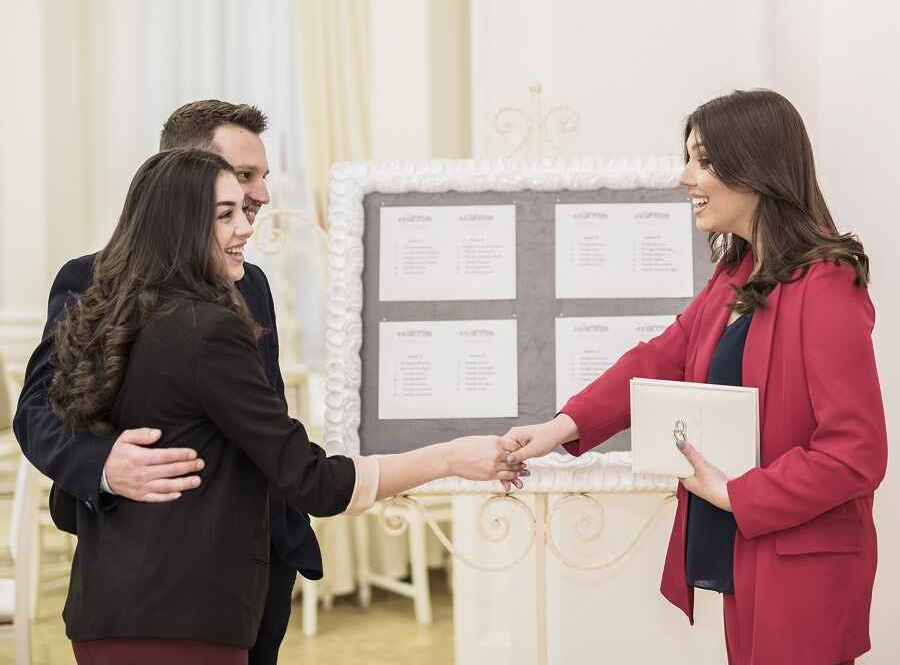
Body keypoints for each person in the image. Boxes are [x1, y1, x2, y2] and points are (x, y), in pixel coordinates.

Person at [46, 147, 520, 664]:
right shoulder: (206, 330)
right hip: (182, 621)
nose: (246, 226)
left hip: (104, 614)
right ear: (178, 228)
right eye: (224, 215)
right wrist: (449, 458)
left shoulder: (109, 315)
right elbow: (310, 479)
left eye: (242, 210)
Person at [502, 89, 887, 665]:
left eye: (702, 160)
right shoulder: (739, 271)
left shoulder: (826, 285)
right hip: (750, 550)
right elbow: (661, 356)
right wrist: (561, 427)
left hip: (803, 566)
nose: (685, 177)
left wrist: (738, 493)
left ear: (756, 168)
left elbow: (856, 454)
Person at [15, 102, 302, 664]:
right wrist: (102, 463)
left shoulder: (253, 282)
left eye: (263, 176)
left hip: (258, 558)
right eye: (245, 176)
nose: (262, 194)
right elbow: (37, 411)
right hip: (155, 573)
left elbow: (264, 416)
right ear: (186, 177)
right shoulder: (88, 279)